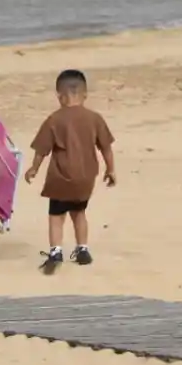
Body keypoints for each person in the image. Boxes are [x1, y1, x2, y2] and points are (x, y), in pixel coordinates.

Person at [24, 69, 116, 274]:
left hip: (60, 177)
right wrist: (111, 170)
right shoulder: (95, 118)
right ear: (85, 95)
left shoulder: (54, 120)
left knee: (56, 215)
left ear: (60, 96)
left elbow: (42, 150)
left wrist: (33, 168)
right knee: (79, 212)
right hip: (85, 178)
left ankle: (56, 251)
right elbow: (106, 147)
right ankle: (82, 248)